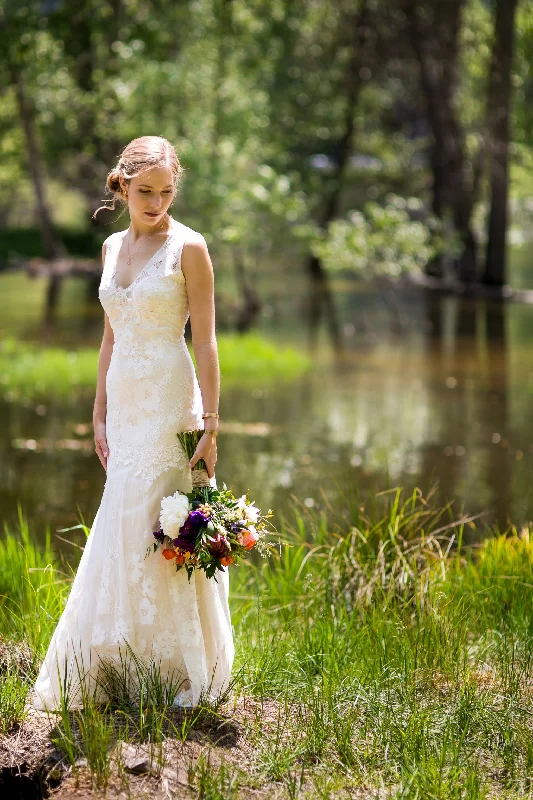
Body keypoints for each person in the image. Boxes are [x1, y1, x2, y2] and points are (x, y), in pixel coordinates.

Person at [31, 136, 234, 710]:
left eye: (167, 192)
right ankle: (116, 661)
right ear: (121, 185)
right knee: (122, 516)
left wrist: (212, 424)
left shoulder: (189, 248)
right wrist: (97, 408)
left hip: (172, 400)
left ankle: (175, 668)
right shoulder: (110, 245)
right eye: (145, 192)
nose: (156, 203)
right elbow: (110, 334)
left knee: (162, 518)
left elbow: (208, 339)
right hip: (124, 401)